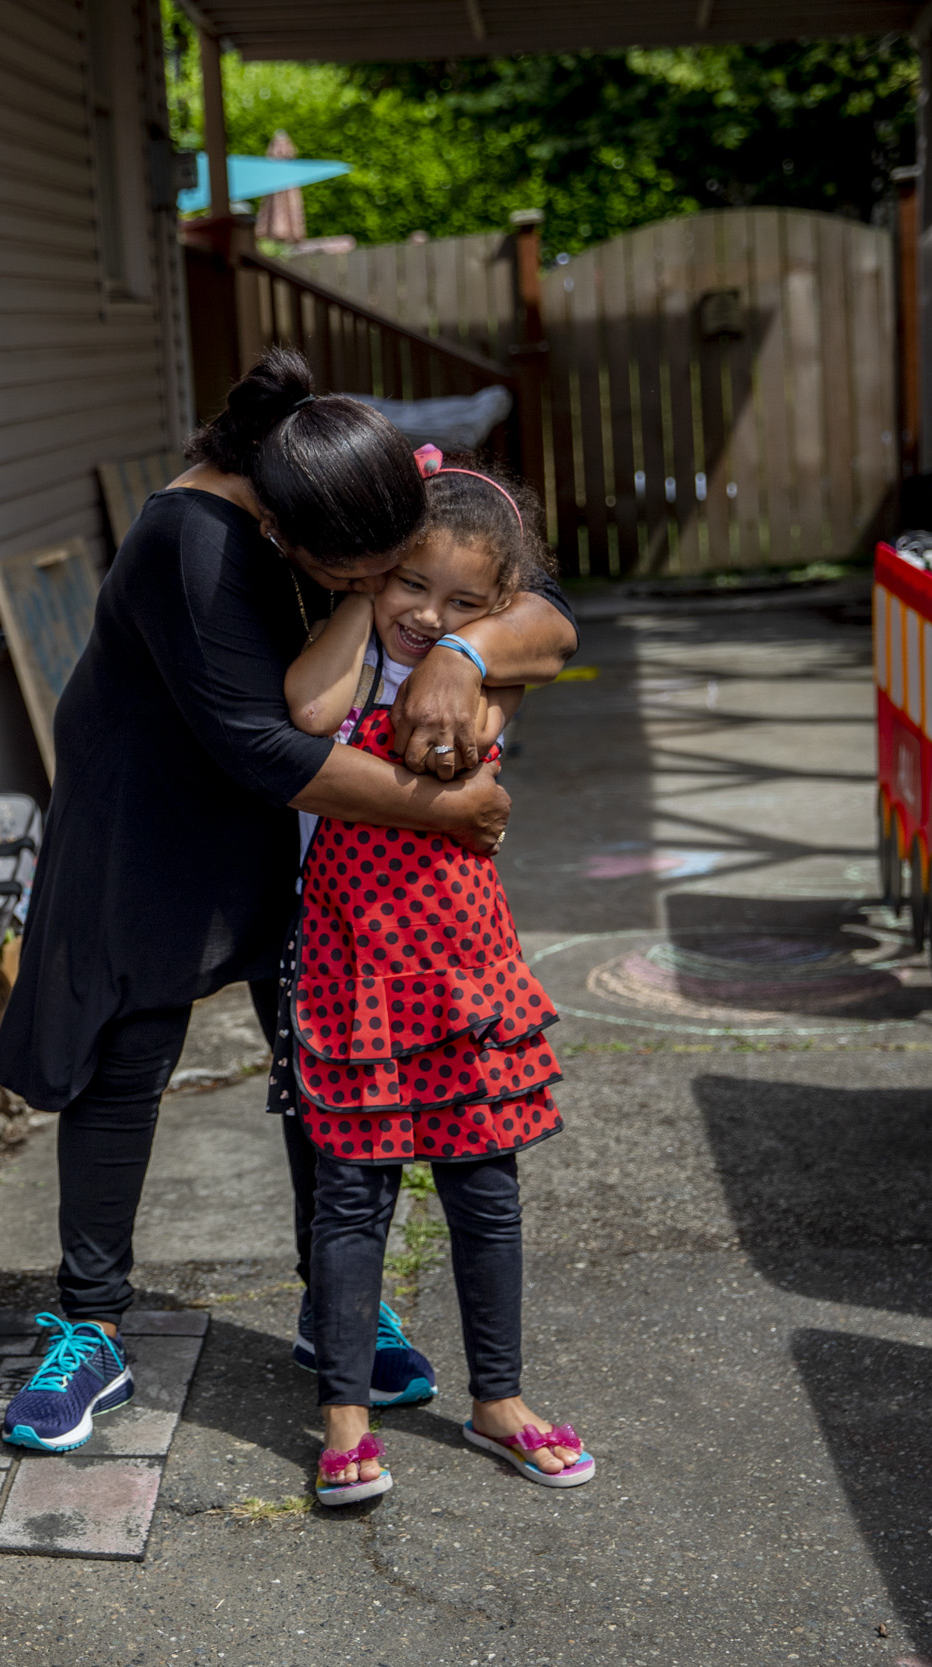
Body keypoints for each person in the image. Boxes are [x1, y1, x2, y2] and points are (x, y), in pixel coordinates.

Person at [0, 349, 577, 1453]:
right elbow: (268, 748)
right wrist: (448, 806)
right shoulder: (190, 540)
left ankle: (334, 1305)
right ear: (284, 542)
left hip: (289, 838)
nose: (380, 593)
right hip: (150, 820)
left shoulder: (332, 480)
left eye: (386, 572)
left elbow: (542, 610)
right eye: (364, 578)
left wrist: (458, 646)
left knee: (318, 1065)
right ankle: (89, 1323)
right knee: (126, 1058)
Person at [277, 449, 594, 1503]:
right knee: (350, 1195)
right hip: (352, 959)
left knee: (484, 1187)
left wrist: (454, 647)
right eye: (408, 580)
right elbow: (309, 710)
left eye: (461, 597)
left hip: (459, 964)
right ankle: (343, 1413)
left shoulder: (476, 677)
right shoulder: (366, 649)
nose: (425, 609)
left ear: (496, 602)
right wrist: (365, 608)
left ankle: (498, 1398)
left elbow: (469, 734)